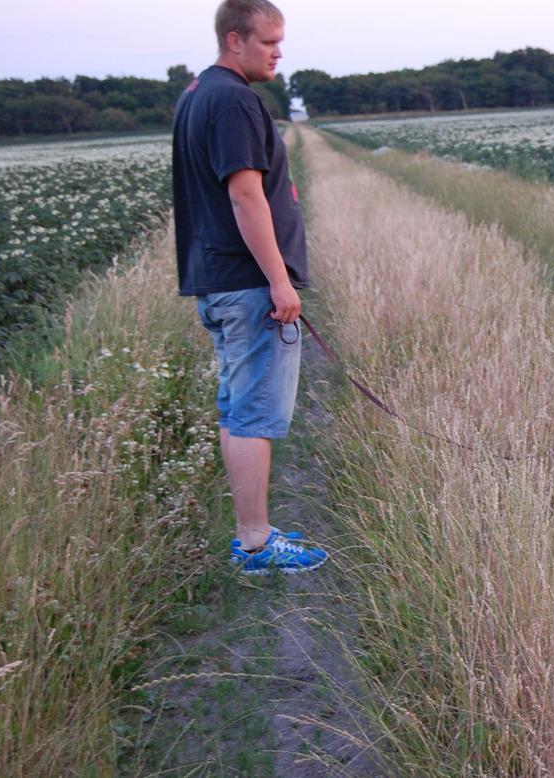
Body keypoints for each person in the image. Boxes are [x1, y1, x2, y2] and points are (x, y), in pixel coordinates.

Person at [173, 0, 327, 574]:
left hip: (218, 280)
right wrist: (279, 281)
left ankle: (253, 531)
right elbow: (244, 195)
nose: (279, 54)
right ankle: (257, 543)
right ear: (235, 39)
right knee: (255, 414)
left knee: (238, 410)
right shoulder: (234, 99)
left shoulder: (195, 95)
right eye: (270, 42)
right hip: (246, 285)